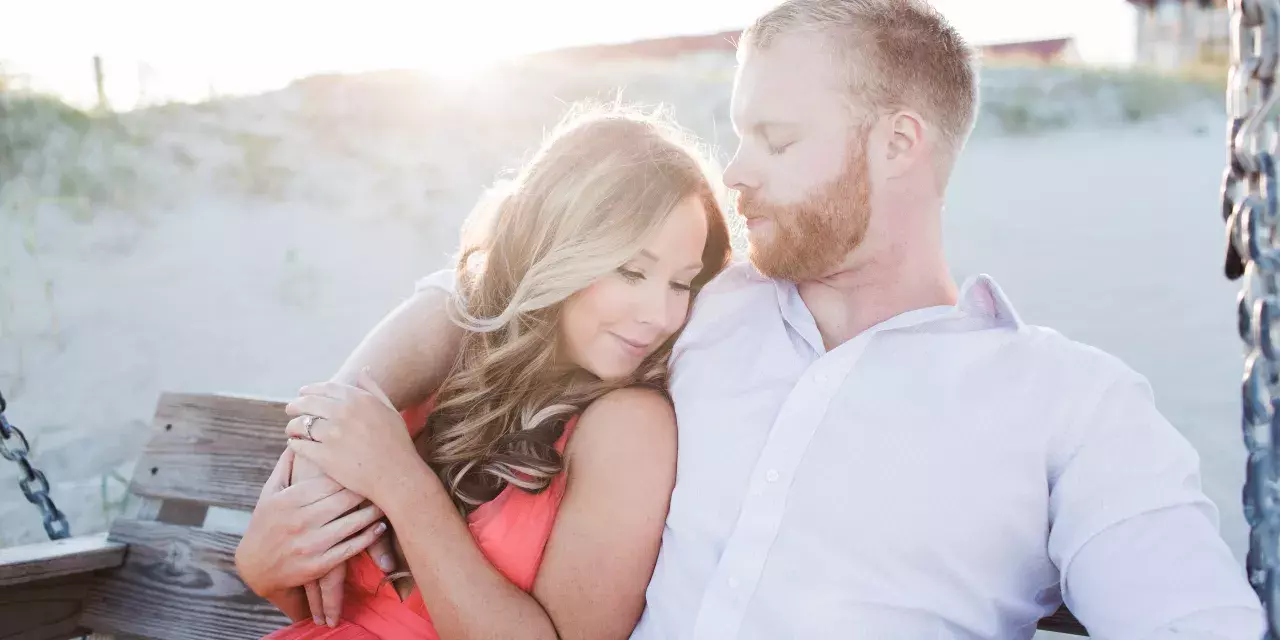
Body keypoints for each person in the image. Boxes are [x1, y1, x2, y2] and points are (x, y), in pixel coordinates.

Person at [248, 1, 1268, 638]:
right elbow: (474, 293)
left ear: (896, 143)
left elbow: (1188, 618)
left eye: (773, 138)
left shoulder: (1065, 400)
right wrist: (327, 447)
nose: (733, 172)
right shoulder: (697, 311)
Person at [232, 103, 733, 639]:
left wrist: (403, 484)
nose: (660, 316)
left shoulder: (630, 428)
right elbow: (331, 609)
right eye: (632, 272)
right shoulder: (452, 354)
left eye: (682, 283)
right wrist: (260, 569)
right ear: (554, 247)